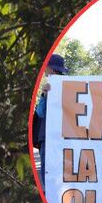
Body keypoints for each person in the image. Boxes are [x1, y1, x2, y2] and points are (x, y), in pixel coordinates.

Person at [33, 53, 69, 188]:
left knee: (47, 176)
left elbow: (40, 113)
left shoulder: (58, 86)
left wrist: (43, 95)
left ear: (51, 69)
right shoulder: (69, 86)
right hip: (60, 138)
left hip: (50, 137)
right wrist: (44, 94)